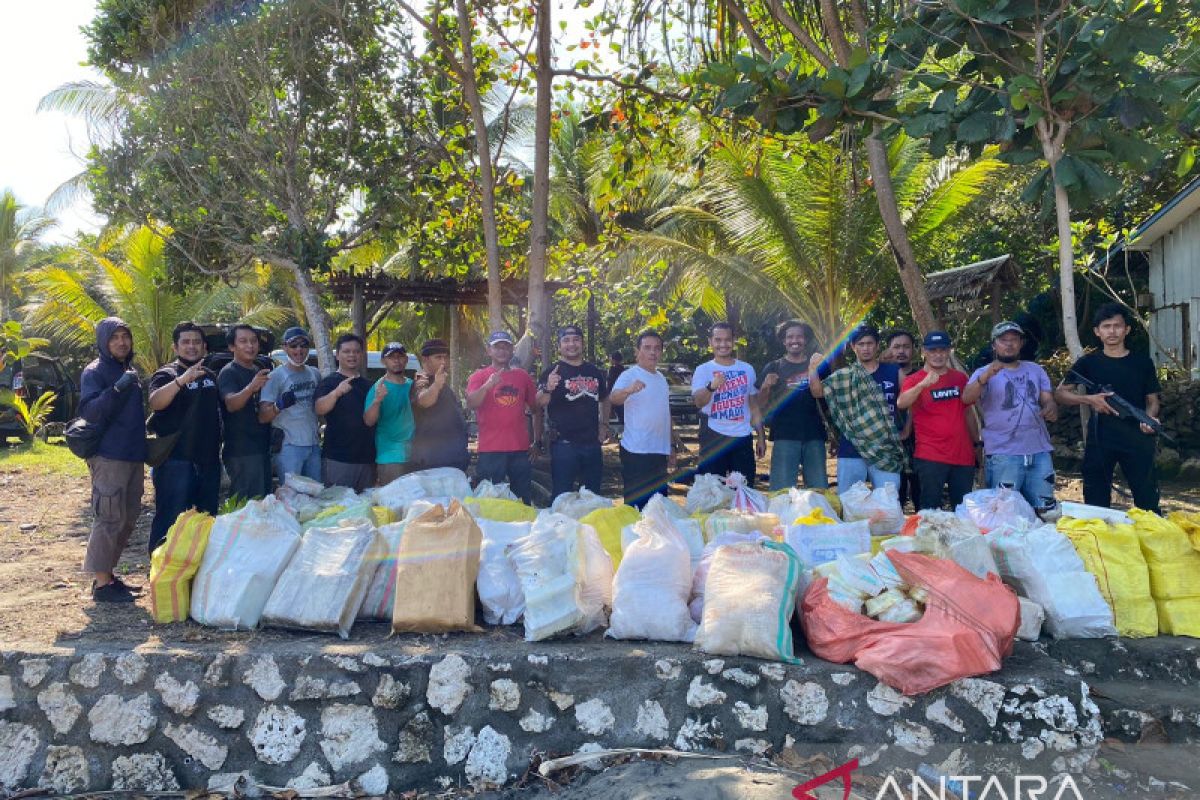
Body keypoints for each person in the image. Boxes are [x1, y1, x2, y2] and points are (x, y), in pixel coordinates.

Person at [1054, 303, 1162, 514]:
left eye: (1117, 326)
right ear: (1097, 331)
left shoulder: (1142, 362)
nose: (1112, 331)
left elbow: (1152, 400)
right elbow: (1060, 393)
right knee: (1096, 500)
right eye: (1106, 326)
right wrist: (1090, 400)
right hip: (1101, 437)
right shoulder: (1088, 363)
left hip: (1137, 436)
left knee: (1147, 500)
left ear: (1127, 329)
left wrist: (1148, 420)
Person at [78, 317, 146, 603]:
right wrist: (116, 388)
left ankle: (109, 576)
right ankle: (102, 584)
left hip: (132, 455)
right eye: (114, 337)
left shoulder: (128, 369)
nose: (121, 342)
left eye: (125, 336)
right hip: (109, 456)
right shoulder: (94, 372)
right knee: (108, 517)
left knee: (127, 518)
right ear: (104, 342)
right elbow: (90, 411)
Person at [963, 321, 1059, 515]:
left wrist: (1050, 407)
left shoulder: (1035, 370)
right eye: (1003, 340)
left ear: (1021, 343)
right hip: (1003, 453)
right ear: (994, 345)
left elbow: (1048, 401)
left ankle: (1041, 544)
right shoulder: (983, 373)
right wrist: (986, 376)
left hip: (1039, 451)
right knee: (1004, 513)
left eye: (1014, 339)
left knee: (1046, 511)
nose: (1009, 344)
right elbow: (967, 398)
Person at [146, 321, 222, 554]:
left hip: (208, 462)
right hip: (175, 462)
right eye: (186, 342)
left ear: (204, 347)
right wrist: (181, 381)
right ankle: (161, 573)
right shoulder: (166, 374)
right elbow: (155, 402)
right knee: (170, 520)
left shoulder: (210, 375)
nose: (192, 347)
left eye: (197, 342)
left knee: (205, 519)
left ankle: (193, 573)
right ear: (176, 347)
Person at [810, 325, 904, 493]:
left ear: (877, 345)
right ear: (853, 347)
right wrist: (812, 369)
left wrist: (907, 429)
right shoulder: (845, 375)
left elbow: (909, 403)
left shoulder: (894, 371)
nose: (866, 348)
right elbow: (817, 392)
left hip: (885, 448)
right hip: (852, 446)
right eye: (861, 344)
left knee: (888, 501)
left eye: (870, 343)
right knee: (849, 501)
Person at [897, 331, 976, 510]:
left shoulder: (959, 378)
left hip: (962, 455)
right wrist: (923, 385)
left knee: (963, 510)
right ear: (924, 352)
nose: (938, 355)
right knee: (929, 510)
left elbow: (968, 412)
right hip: (930, 456)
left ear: (949, 352)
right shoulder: (914, 380)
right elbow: (902, 403)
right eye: (933, 351)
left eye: (942, 350)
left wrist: (977, 443)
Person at [537, 325, 610, 498]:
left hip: (592, 444)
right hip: (564, 446)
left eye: (576, 340)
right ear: (559, 346)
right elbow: (538, 402)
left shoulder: (593, 371)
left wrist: (604, 424)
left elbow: (605, 398)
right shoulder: (552, 371)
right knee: (562, 497)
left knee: (592, 497)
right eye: (566, 340)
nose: (572, 344)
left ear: (582, 343)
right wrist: (548, 387)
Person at [757, 320, 829, 491]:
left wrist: (833, 434)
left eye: (799, 337)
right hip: (784, 434)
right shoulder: (773, 367)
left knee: (818, 489)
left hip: (815, 435)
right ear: (784, 341)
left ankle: (819, 518)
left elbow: (826, 399)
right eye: (790, 337)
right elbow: (759, 404)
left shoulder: (819, 366)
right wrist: (766, 386)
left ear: (806, 340)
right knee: (781, 489)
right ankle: (782, 518)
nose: (794, 340)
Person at [467, 331, 539, 503]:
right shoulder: (479, 376)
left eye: (506, 346)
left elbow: (536, 408)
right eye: (497, 347)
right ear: (489, 351)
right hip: (490, 450)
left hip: (520, 450)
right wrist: (488, 386)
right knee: (489, 500)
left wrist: (537, 441)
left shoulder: (522, 377)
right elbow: (471, 403)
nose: (502, 351)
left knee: (522, 500)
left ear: (512, 350)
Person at [610, 331, 676, 508]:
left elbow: (665, 413)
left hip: (659, 451)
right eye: (647, 348)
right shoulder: (629, 375)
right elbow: (613, 398)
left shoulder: (661, 378)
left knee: (657, 506)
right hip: (636, 451)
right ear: (637, 351)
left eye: (657, 348)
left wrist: (671, 445)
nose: (653, 352)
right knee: (636, 508)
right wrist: (628, 390)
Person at [691, 322, 761, 481]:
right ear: (710, 342)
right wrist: (711, 387)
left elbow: (754, 406)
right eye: (718, 340)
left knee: (744, 488)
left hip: (742, 436)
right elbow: (698, 402)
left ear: (734, 340)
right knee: (712, 489)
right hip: (713, 436)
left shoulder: (747, 369)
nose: (723, 344)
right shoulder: (703, 370)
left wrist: (761, 437)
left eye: (727, 339)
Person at [314, 333, 375, 492]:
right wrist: (337, 392)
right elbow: (319, 408)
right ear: (337, 355)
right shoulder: (329, 382)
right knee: (337, 509)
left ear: (361, 354)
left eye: (356, 351)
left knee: (365, 509)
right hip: (338, 459)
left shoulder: (370, 385)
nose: (352, 355)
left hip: (367, 459)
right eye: (347, 351)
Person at [259, 326, 321, 482]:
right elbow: (262, 416)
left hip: (313, 445)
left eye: (303, 345)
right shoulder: (275, 376)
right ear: (284, 347)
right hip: (289, 448)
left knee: (317, 497)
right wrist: (278, 406)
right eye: (293, 346)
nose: (299, 350)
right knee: (291, 497)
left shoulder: (315, 373)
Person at [217, 324, 272, 500]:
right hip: (241, 450)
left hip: (262, 446)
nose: (250, 346)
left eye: (254, 341)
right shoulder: (229, 372)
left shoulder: (258, 369)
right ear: (232, 346)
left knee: (262, 502)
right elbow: (231, 404)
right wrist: (251, 387)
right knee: (245, 506)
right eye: (243, 341)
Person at [410, 339, 469, 472]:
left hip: (452, 458)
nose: (443, 361)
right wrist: (436, 385)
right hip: (432, 461)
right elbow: (423, 401)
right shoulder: (421, 380)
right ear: (425, 359)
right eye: (438, 357)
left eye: (445, 357)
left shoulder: (442, 383)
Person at [364, 342, 415, 486]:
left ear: (406, 359)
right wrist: (377, 400)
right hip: (390, 457)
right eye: (391, 357)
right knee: (393, 505)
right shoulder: (378, 387)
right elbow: (368, 421)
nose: (396, 360)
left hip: (415, 454)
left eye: (400, 356)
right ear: (383, 361)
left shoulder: (413, 385)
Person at [885, 328, 921, 511]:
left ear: (914, 349)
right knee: (893, 496)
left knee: (920, 492)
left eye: (906, 347)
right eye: (896, 347)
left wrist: (908, 428)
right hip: (890, 442)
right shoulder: (883, 374)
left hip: (919, 441)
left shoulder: (923, 374)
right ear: (888, 350)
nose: (901, 351)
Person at [607, 350, 626, 425]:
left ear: (614, 359)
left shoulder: (613, 369)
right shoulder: (623, 370)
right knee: (622, 416)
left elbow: (610, 384)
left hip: (614, 395)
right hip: (622, 395)